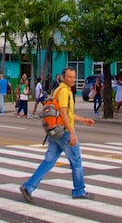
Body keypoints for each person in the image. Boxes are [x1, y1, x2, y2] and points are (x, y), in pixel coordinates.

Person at [19, 67, 95, 202]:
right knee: (76, 161)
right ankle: (79, 190)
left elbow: (65, 113)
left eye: (74, 77)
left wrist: (83, 120)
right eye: (70, 77)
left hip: (54, 131)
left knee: (48, 161)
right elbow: (64, 115)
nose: (73, 79)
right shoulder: (65, 91)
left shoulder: (58, 90)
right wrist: (71, 133)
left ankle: (28, 186)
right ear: (63, 77)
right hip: (64, 132)